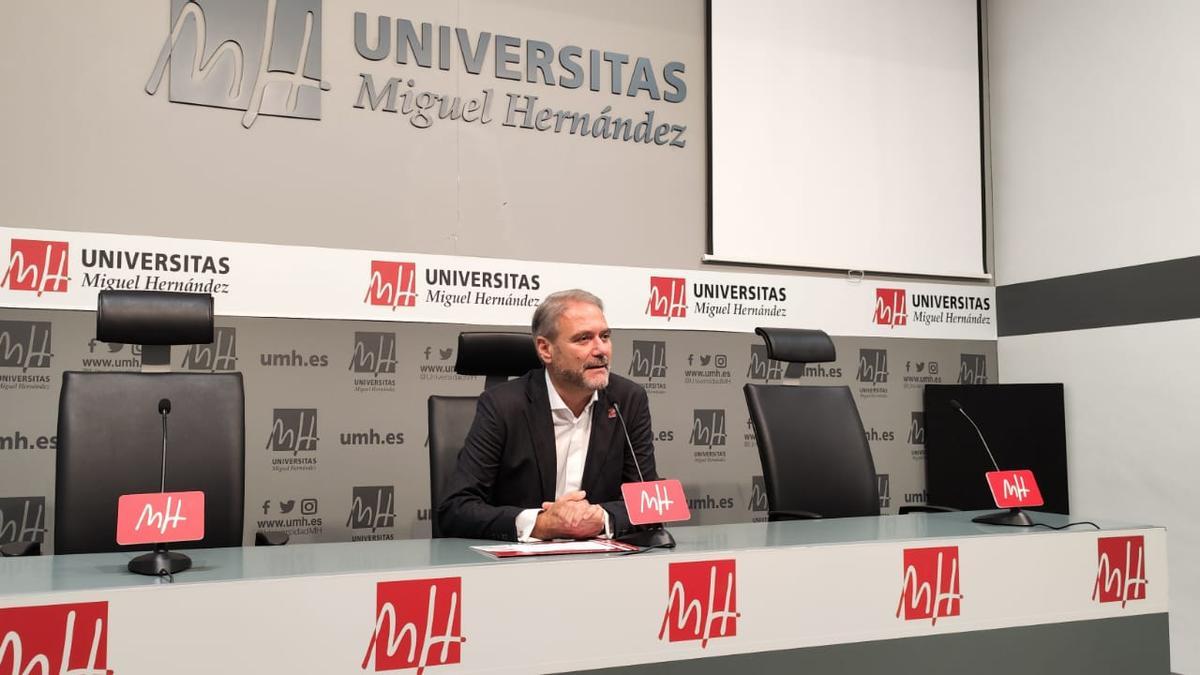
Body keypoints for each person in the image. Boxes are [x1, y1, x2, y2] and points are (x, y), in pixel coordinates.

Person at [437, 289, 659, 541]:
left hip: (600, 562)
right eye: (583, 339)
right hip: (517, 567)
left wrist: (601, 518)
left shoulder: (628, 400)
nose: (601, 350)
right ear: (545, 349)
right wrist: (540, 524)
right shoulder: (503, 405)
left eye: (605, 336)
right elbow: (455, 509)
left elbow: (649, 501)